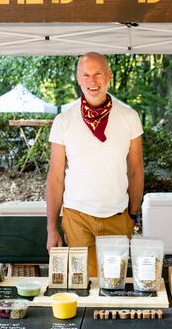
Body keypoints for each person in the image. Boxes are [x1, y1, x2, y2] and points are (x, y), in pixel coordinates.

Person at [45, 52, 144, 277]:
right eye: (86, 75)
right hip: (77, 216)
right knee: (86, 283)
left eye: (98, 73)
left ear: (108, 75)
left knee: (113, 281)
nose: (92, 81)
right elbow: (55, 177)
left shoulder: (129, 117)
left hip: (118, 215)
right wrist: (51, 228)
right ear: (78, 79)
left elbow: (136, 170)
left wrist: (133, 215)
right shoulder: (63, 121)